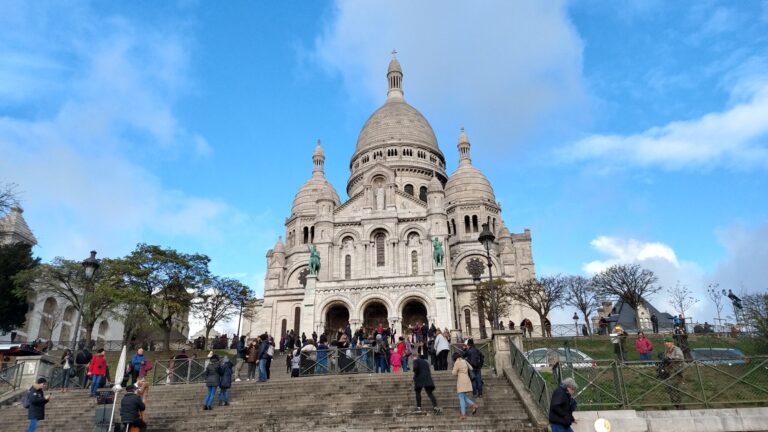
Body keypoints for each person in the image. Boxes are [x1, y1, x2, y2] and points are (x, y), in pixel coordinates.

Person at [451, 352, 478, 420]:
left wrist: (458, 371)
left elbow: (453, 373)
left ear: (454, 358)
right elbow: (471, 368)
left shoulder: (457, 362)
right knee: (463, 397)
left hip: (461, 381)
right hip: (467, 379)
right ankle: (473, 405)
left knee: (461, 398)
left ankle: (463, 414)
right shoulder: (464, 361)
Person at [661, 335, 685, 409]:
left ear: (671, 342)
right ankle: (675, 403)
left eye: (668, 342)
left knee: (674, 386)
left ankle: (678, 404)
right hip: (670, 371)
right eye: (665, 342)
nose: (666, 344)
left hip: (677, 370)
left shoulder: (677, 349)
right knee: (669, 387)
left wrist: (669, 358)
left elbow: (679, 357)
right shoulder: (666, 351)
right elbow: (666, 360)